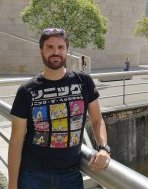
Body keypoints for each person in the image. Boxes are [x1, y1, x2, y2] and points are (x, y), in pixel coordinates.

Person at [8, 28, 110, 189]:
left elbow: (97, 120)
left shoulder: (83, 81)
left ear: (67, 50)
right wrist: (12, 185)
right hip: (32, 175)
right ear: (41, 51)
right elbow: (16, 141)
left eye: (61, 47)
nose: (56, 52)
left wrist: (103, 148)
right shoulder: (26, 90)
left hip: (70, 175)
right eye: (49, 47)